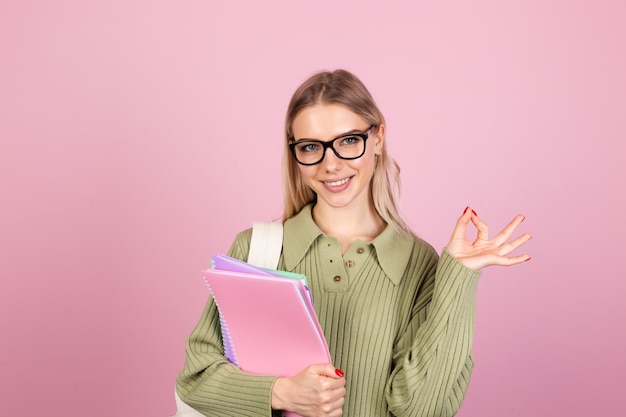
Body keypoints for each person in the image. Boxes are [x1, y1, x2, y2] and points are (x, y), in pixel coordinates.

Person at [175, 69, 531, 417]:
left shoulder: (418, 262)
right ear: (295, 153)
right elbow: (196, 379)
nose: (331, 164)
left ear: (377, 139)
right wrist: (282, 393)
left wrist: (460, 276)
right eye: (312, 146)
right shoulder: (256, 248)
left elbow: (423, 408)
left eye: (348, 141)